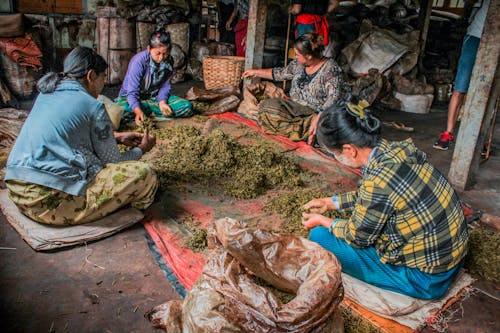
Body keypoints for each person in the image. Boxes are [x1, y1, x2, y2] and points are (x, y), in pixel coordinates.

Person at [301, 98, 468, 299]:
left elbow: (358, 237)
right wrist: (331, 202)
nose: (336, 158)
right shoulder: (395, 150)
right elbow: (378, 196)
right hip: (451, 258)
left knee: (320, 236)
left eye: (334, 153)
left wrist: (324, 221)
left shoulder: (377, 181)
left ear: (349, 150)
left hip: (427, 279)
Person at [4, 46, 158, 225]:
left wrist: (115, 137)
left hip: (17, 190)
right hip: (45, 202)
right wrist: (141, 150)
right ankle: (128, 209)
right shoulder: (93, 106)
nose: (102, 85)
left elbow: (67, 135)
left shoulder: (46, 93)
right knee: (144, 174)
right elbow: (113, 163)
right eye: (103, 77)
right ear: (91, 76)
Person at [242, 32, 345, 144]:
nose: (295, 57)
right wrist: (255, 72)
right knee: (267, 107)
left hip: (317, 113)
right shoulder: (298, 64)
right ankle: (305, 132)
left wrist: (318, 118)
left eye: (297, 54)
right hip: (295, 107)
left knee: (329, 127)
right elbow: (280, 73)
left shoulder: (331, 68)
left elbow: (334, 98)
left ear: (309, 56)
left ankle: (311, 130)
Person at [433, 0, 490, 150]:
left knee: (484, 94)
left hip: (494, 42)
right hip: (475, 36)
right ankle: (447, 134)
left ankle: (479, 139)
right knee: (460, 88)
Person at [116, 27, 193, 126]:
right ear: (149, 49)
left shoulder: (169, 61)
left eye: (165, 54)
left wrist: (162, 102)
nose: (161, 58)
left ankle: (150, 111)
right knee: (122, 110)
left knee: (186, 107)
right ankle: (147, 111)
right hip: (132, 98)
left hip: (154, 98)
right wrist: (138, 111)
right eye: (158, 53)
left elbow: (165, 86)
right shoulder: (139, 61)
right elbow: (132, 92)